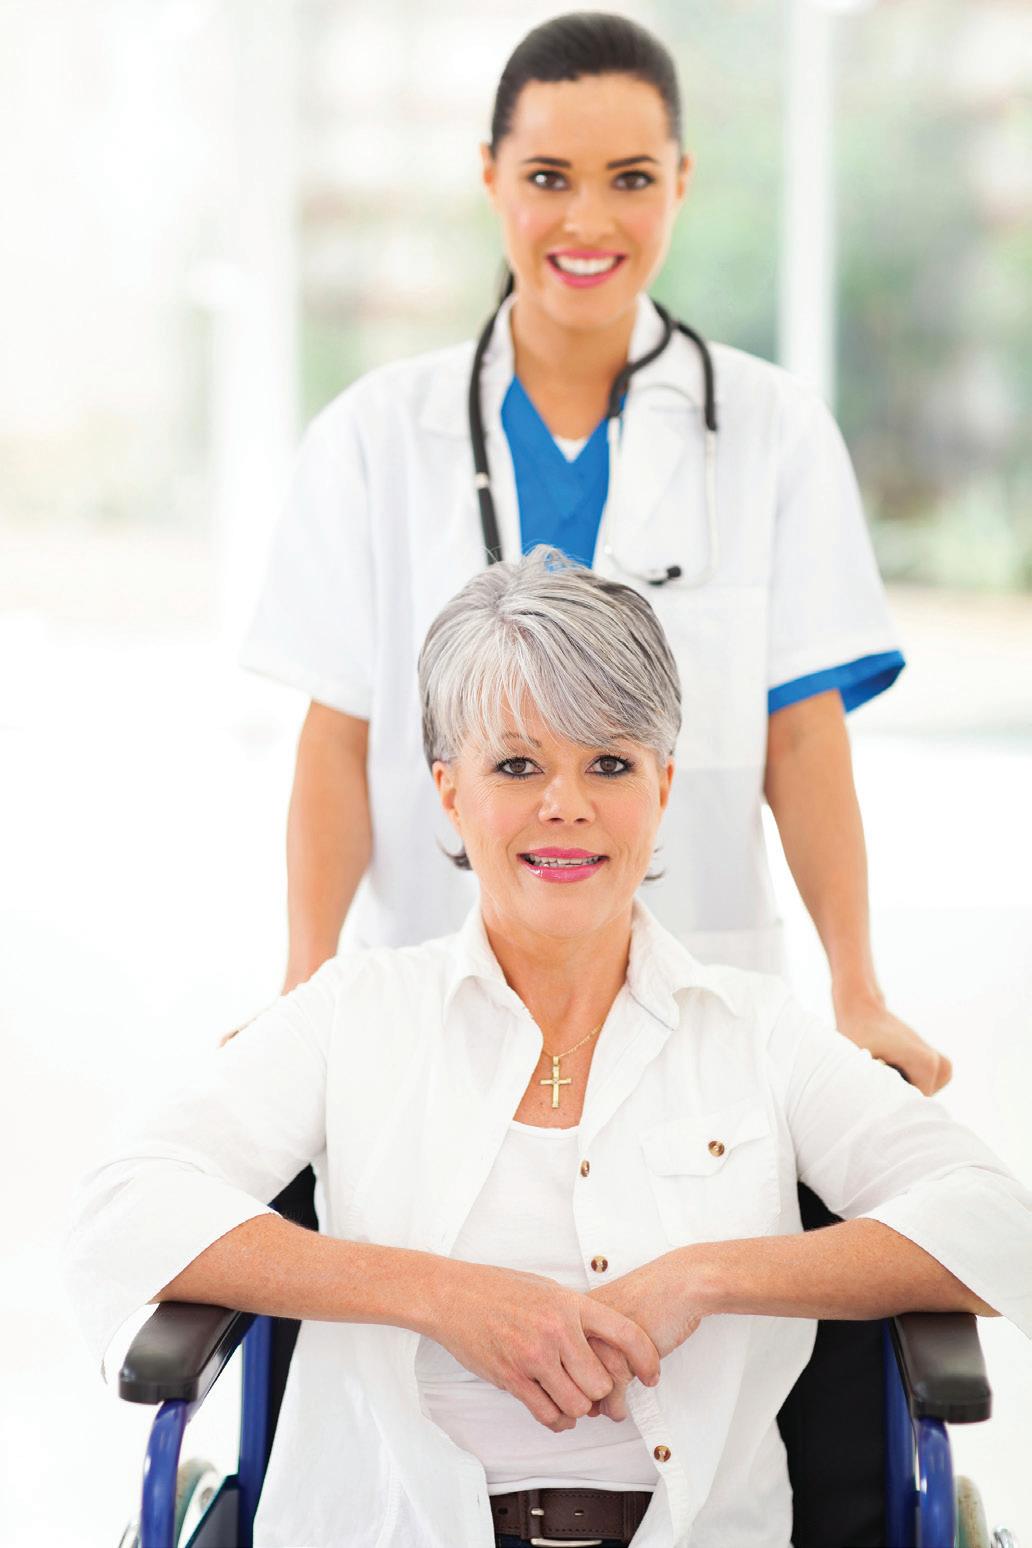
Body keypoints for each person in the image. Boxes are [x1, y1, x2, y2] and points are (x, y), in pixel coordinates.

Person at [69, 553, 1030, 1548]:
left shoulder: (758, 1034)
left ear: (662, 785)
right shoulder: (353, 1015)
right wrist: (441, 1296)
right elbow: (122, 1207)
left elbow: (996, 1222)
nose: (565, 803)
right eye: (517, 765)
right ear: (449, 791)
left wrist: (702, 1278)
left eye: (609, 763)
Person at [242, 16, 947, 1088]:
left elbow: (803, 737)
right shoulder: (374, 436)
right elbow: (338, 742)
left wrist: (859, 993)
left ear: (681, 181)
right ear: (490, 175)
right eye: (547, 177)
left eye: (630, 179)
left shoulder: (773, 429)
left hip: (700, 988)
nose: (588, 219)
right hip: (431, 995)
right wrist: (304, 993)